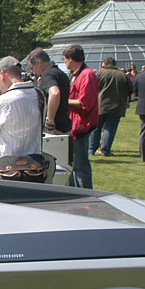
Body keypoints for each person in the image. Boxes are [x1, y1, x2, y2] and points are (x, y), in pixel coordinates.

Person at [63, 45, 99, 188]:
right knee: (74, 165)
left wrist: (63, 101)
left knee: (80, 166)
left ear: (71, 59)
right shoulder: (77, 74)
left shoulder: (87, 75)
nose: (65, 63)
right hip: (75, 124)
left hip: (82, 125)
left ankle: (86, 194)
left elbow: (85, 103)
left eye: (65, 60)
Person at [90, 57, 132, 156]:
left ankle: (91, 149)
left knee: (96, 128)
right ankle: (105, 150)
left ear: (106, 64)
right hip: (116, 106)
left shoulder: (100, 74)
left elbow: (92, 88)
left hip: (100, 105)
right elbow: (131, 89)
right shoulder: (122, 75)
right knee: (110, 128)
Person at [27, 48, 71, 135]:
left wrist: (50, 120)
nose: (32, 71)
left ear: (39, 64)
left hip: (55, 129)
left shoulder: (47, 74)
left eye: (32, 67)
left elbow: (55, 93)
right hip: (64, 124)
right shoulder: (59, 73)